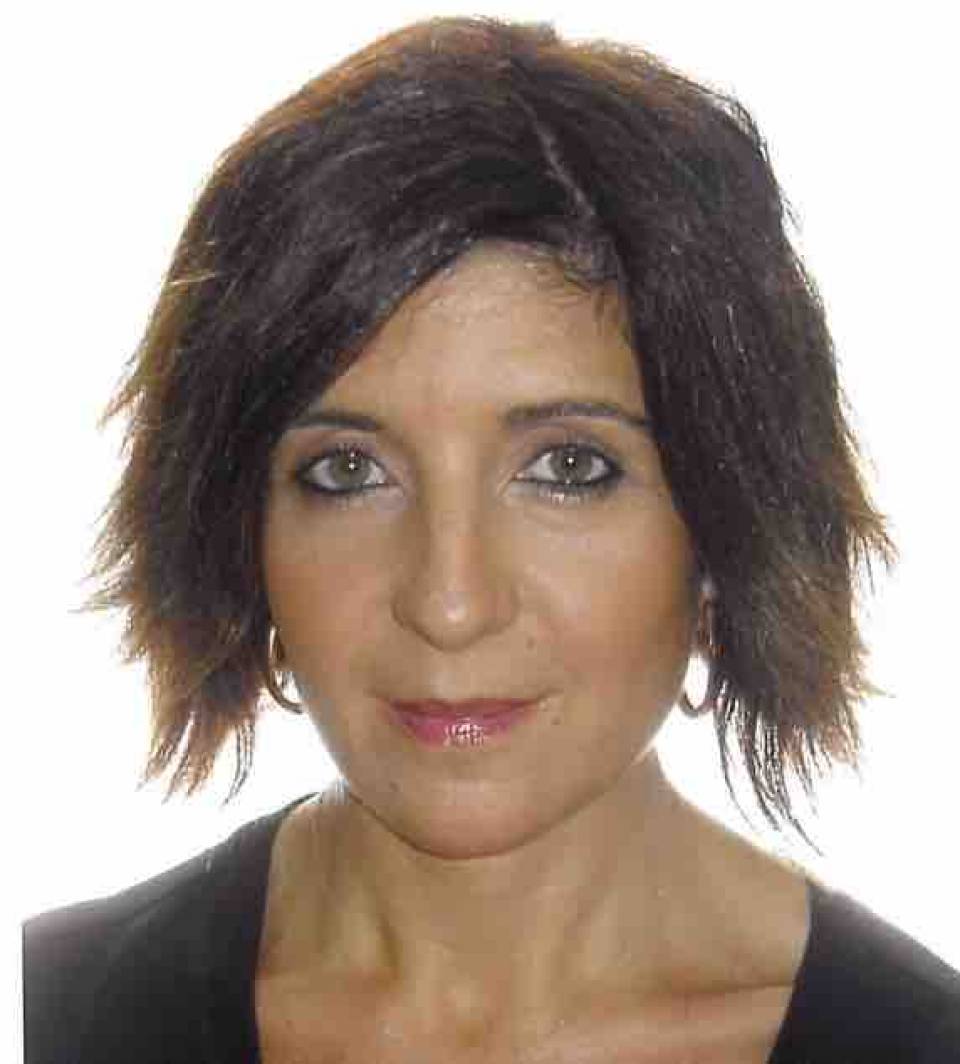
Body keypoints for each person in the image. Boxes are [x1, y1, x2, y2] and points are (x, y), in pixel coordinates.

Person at [22, 15, 960, 1063]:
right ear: (236, 531)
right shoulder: (55, 1015)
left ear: (726, 525)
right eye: (348, 471)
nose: (450, 601)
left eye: (568, 468)